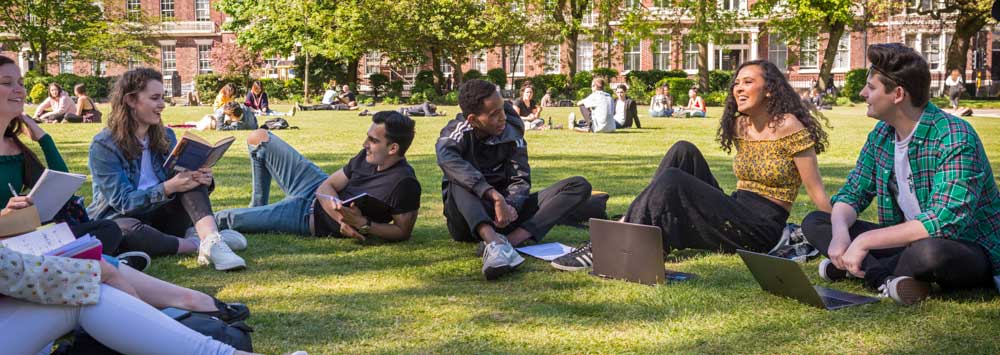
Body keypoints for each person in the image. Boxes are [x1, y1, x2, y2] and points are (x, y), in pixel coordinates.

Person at [552, 60, 831, 272]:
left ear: (770, 90)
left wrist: (838, 235)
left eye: (747, 82)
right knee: (683, 151)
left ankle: (615, 241)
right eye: (736, 83)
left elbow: (816, 190)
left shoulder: (789, 127)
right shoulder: (740, 125)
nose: (738, 89)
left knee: (674, 180)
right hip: (737, 207)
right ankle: (630, 226)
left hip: (761, 228)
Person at [801, 44, 1000, 305]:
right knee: (817, 221)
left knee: (928, 252)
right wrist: (840, 235)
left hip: (964, 247)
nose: (863, 94)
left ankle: (867, 271)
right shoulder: (882, 135)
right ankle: (887, 278)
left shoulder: (954, 136)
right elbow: (852, 194)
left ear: (897, 94)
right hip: (907, 241)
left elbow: (942, 222)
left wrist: (864, 240)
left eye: (871, 88)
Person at [88, 68, 249, 271]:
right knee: (126, 232)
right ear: (130, 100)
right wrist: (167, 188)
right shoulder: (105, 145)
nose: (162, 105)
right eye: (155, 98)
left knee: (188, 177)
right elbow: (123, 203)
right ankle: (198, 243)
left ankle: (212, 241)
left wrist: (203, 179)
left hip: (162, 214)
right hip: (123, 218)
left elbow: (179, 182)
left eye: (162, 98)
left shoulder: (166, 136)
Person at [437, 79, 593, 280]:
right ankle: (494, 244)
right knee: (455, 178)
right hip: (469, 220)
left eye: (502, 109)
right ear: (473, 119)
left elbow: (520, 179)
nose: (502, 117)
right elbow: (446, 157)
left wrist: (510, 205)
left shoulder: (511, 131)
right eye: (494, 115)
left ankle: (511, 241)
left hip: (506, 215)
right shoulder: (457, 131)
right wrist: (493, 195)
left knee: (578, 185)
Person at [215, 111, 421, 242]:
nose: (365, 144)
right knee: (259, 139)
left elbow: (403, 231)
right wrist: (342, 218)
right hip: (312, 186)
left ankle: (198, 226)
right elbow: (326, 186)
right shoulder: (366, 158)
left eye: (373, 140)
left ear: (393, 148)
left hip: (306, 217)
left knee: (227, 218)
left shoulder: (404, 183)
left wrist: (364, 224)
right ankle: (257, 207)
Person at [186, 102, 258, 131]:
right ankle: (196, 124)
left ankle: (196, 125)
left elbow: (220, 128)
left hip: (246, 123)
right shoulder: (242, 108)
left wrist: (222, 113)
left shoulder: (239, 124)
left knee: (212, 123)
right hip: (251, 123)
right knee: (212, 119)